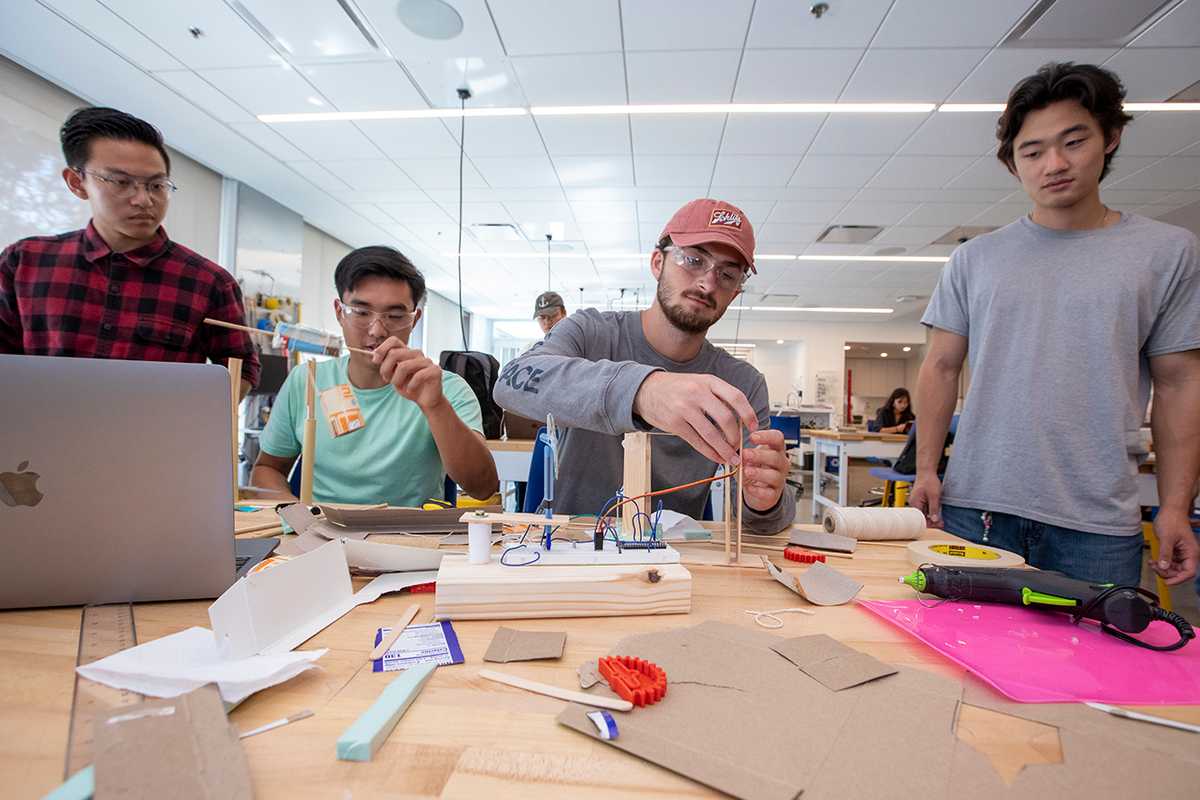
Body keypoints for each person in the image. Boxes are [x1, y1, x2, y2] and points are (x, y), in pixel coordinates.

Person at [910, 63, 1200, 588]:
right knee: (959, 642)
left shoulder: (1167, 253)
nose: (1055, 164)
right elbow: (941, 366)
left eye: (1074, 142)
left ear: (1110, 138)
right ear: (1012, 163)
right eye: (1033, 151)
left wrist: (1175, 506)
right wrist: (927, 469)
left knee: (1092, 643)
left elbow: (1180, 383)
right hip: (977, 507)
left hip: (1096, 521)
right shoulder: (975, 259)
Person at [494, 198, 794, 532]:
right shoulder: (590, 333)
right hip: (570, 548)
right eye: (693, 260)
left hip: (674, 556)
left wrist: (763, 503)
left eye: (727, 274)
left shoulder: (741, 384)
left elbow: (758, 524)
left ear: (735, 292)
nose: (708, 283)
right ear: (657, 262)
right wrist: (642, 391)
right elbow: (510, 382)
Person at [0, 106, 258, 394]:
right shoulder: (24, 262)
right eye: (121, 182)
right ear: (77, 182)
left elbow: (242, 368)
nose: (143, 200)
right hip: (38, 421)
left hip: (157, 424)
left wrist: (191, 413)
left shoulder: (209, 282)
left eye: (156, 185)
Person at [251, 246, 497, 506]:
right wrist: (294, 513)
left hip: (410, 530)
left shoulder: (446, 388)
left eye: (395, 316)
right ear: (339, 312)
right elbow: (267, 469)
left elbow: (482, 487)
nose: (377, 330)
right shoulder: (307, 379)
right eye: (361, 312)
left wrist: (436, 407)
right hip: (318, 528)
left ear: (414, 320)